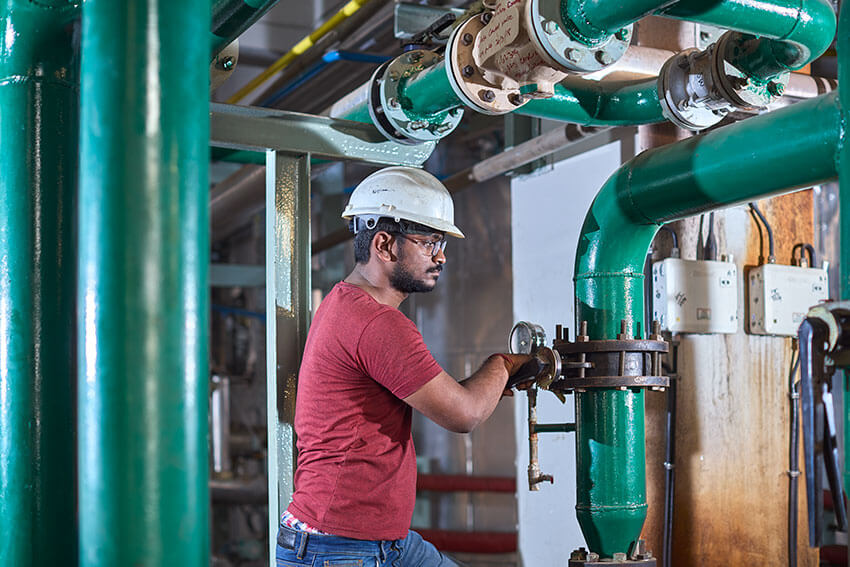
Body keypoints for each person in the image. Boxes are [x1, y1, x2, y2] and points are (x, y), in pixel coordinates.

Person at [275, 166, 533, 566]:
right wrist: (501, 364)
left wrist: (490, 384)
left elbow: (447, 397)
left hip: (372, 541)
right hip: (342, 549)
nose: (442, 256)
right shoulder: (378, 323)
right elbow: (462, 414)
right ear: (384, 244)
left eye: (442, 242)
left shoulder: (344, 303)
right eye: (429, 242)